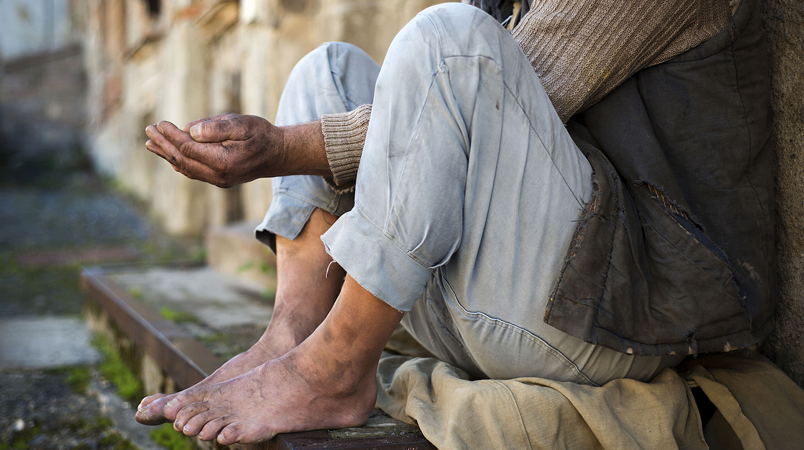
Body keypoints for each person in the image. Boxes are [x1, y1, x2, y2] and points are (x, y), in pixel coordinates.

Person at [134, 0, 773, 446]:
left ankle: (334, 368)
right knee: (327, 70)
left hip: (613, 325)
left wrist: (277, 148)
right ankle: (293, 336)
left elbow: (497, 78)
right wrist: (284, 144)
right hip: (481, 310)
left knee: (448, 40)